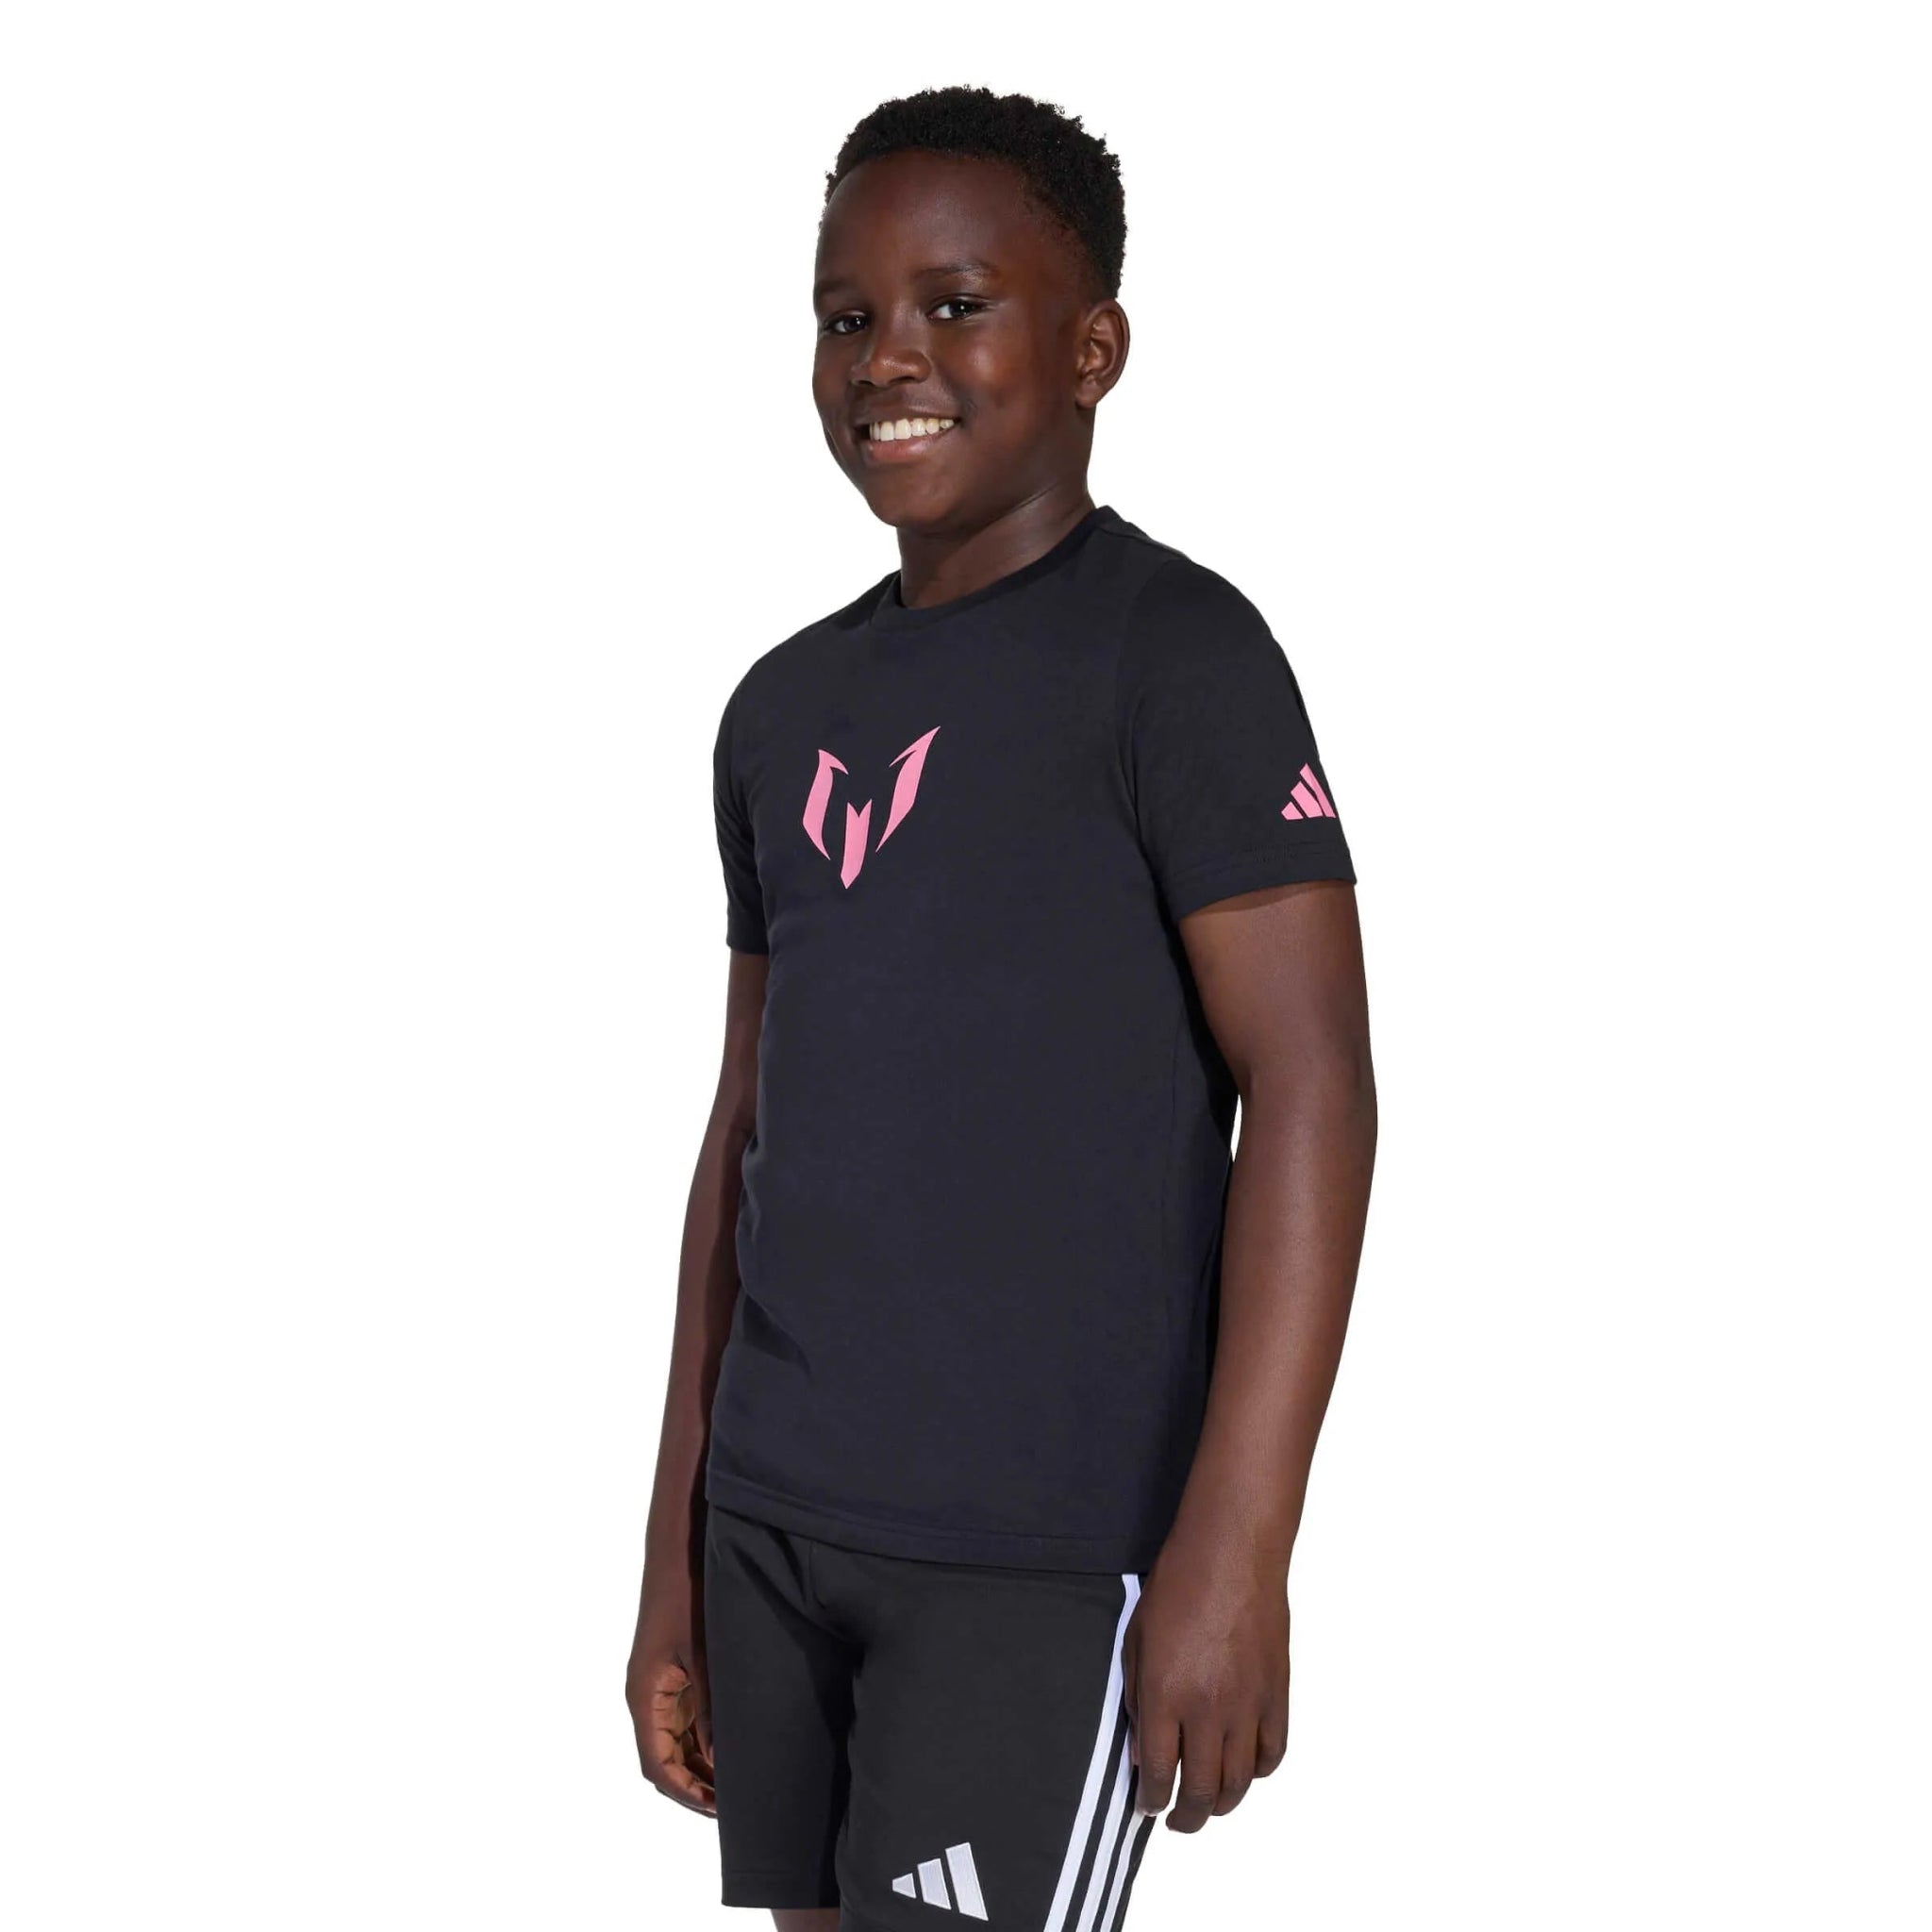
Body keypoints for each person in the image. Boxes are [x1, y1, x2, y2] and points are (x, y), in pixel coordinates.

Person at [627, 86, 1376, 1932]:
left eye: (954, 306)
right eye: (849, 315)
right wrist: (675, 1549)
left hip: (1041, 1551)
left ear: (1092, 348)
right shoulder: (779, 709)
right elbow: (746, 1131)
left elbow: (1311, 1088)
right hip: (779, 1523)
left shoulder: (1179, 660)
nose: (891, 356)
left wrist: (1239, 1543)